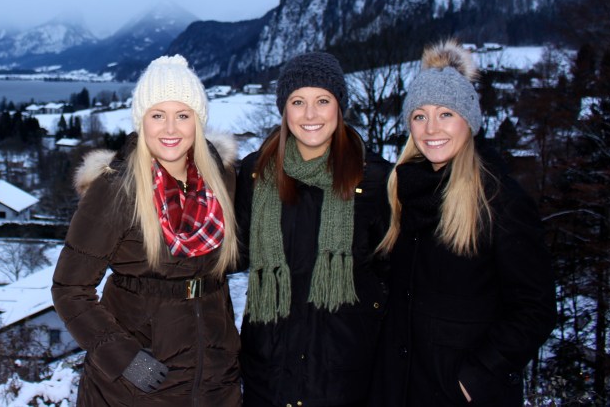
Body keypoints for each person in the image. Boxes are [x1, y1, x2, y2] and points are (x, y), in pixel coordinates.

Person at [368, 39, 555, 406]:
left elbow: (535, 308)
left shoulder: (499, 201)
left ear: (469, 120)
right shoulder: (402, 191)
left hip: (459, 393)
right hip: (400, 386)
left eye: (446, 114)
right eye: (419, 116)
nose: (431, 128)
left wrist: (477, 376)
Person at [51, 55, 241, 406]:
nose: (170, 129)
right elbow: (70, 288)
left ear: (198, 120)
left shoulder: (223, 180)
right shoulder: (115, 189)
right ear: (141, 120)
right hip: (136, 388)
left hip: (215, 382)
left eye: (182, 115)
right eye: (157, 115)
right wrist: (124, 359)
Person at [238, 51, 392, 406]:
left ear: (339, 106)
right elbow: (233, 254)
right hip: (268, 374)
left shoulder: (375, 180)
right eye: (298, 102)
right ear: (284, 109)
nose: (310, 115)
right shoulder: (255, 173)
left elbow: (394, 278)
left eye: (322, 100)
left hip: (343, 377)